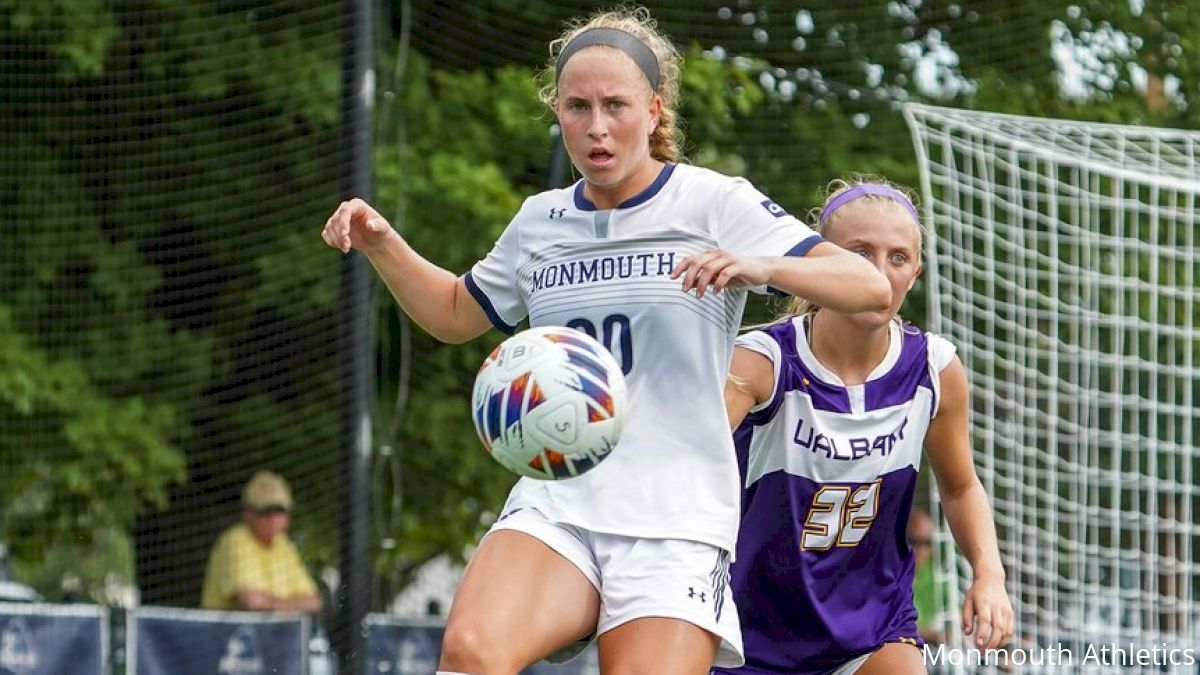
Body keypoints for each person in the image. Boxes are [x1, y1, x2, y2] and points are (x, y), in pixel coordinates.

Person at [320, 7, 890, 674]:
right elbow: (453, 311)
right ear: (557, 112)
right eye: (577, 106)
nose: (596, 126)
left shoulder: (712, 203)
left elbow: (869, 290)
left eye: (615, 105)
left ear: (653, 111)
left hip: (675, 518)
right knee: (470, 652)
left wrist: (762, 265)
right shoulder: (541, 221)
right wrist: (383, 244)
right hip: (559, 498)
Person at [716, 177, 1014, 675]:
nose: (879, 274)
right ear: (823, 263)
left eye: (898, 258)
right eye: (859, 255)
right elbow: (680, 461)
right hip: (749, 634)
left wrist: (989, 575)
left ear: (916, 272)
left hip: (873, 631)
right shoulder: (762, 363)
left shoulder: (934, 371)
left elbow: (961, 488)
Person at [200, 471, 322, 613]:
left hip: (272, 633)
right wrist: (293, 604)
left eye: (279, 510)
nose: (273, 518)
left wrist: (272, 603)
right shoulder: (236, 539)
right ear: (246, 513)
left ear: (288, 515)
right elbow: (251, 602)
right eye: (264, 511)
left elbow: (314, 601)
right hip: (226, 634)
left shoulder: (283, 544)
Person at [908, 508, 949, 646]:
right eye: (914, 541)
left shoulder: (939, 577)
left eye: (927, 543)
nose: (920, 550)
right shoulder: (886, 577)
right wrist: (934, 635)